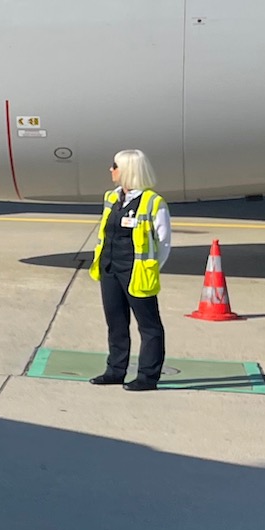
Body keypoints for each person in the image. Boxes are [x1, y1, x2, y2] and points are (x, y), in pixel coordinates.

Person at [88, 149, 172, 391]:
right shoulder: (112, 197)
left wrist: (151, 268)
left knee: (149, 326)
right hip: (110, 269)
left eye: (114, 166)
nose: (110, 170)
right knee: (115, 322)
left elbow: (164, 243)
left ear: (127, 170)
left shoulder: (153, 202)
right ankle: (115, 370)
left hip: (136, 273)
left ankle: (147, 376)